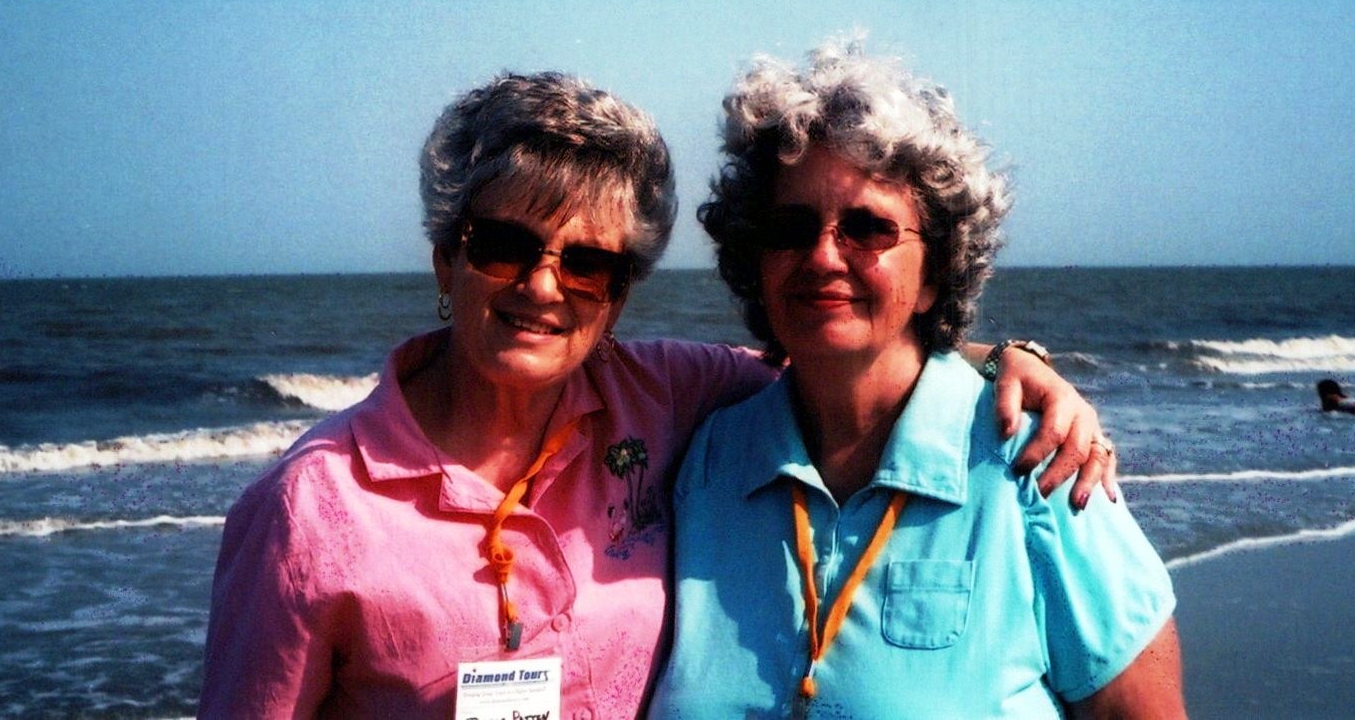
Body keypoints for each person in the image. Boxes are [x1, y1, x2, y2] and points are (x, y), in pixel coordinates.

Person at [198, 70, 1116, 719]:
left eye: (587, 263)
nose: (542, 287)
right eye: (504, 247)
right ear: (447, 258)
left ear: (620, 290)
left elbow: (842, 349)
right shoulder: (309, 512)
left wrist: (1007, 359)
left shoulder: (665, 396)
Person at [650, 41, 1184, 718]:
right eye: (790, 227)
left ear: (935, 271)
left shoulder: (1035, 461)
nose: (823, 255)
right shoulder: (708, 461)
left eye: (868, 228)